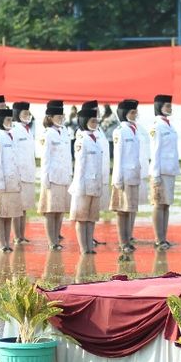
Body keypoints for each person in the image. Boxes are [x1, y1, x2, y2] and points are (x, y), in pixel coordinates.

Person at [69, 107, 105, 254]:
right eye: (92, 121)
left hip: (95, 184)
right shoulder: (81, 140)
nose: (95, 123)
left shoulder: (96, 138)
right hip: (83, 185)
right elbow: (80, 165)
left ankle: (90, 246)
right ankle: (84, 248)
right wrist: (79, 186)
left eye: (96, 121)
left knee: (91, 218)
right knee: (81, 218)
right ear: (85, 122)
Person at [38, 101, 71, 250]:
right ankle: (52, 241)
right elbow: (45, 157)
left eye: (62, 115)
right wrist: (45, 178)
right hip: (52, 176)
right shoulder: (48, 133)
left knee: (60, 209)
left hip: (64, 176)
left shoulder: (64, 131)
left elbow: (68, 156)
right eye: (58, 116)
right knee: (51, 211)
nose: (61, 118)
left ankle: (57, 236)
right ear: (50, 117)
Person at [110, 100, 142, 255]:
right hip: (123, 176)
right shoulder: (120, 131)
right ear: (124, 114)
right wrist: (117, 179)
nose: (135, 115)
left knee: (130, 210)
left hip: (134, 174)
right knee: (122, 211)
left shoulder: (135, 130)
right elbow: (118, 156)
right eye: (132, 112)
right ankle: (123, 242)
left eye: (135, 112)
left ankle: (128, 237)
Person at [149, 94, 180, 249]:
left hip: (170, 170)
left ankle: (164, 237)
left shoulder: (170, 125)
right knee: (159, 204)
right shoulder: (157, 126)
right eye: (167, 106)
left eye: (170, 105)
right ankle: (158, 238)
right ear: (159, 107)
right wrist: (155, 174)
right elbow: (155, 151)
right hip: (160, 171)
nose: (170, 108)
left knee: (166, 204)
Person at [0, 108, 21, 252]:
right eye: (7, 120)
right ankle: (2, 243)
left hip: (13, 181)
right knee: (1, 214)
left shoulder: (12, 135)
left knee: (10, 214)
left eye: (11, 120)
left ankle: (7, 242)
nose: (10, 122)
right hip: (2, 182)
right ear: (0, 121)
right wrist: (0, 183)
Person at [11, 101, 36, 244]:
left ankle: (22, 235)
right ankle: (16, 236)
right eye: (24, 113)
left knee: (24, 207)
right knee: (17, 207)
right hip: (18, 174)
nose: (27, 116)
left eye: (28, 113)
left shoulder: (28, 129)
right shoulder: (14, 129)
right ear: (17, 114)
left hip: (28, 172)